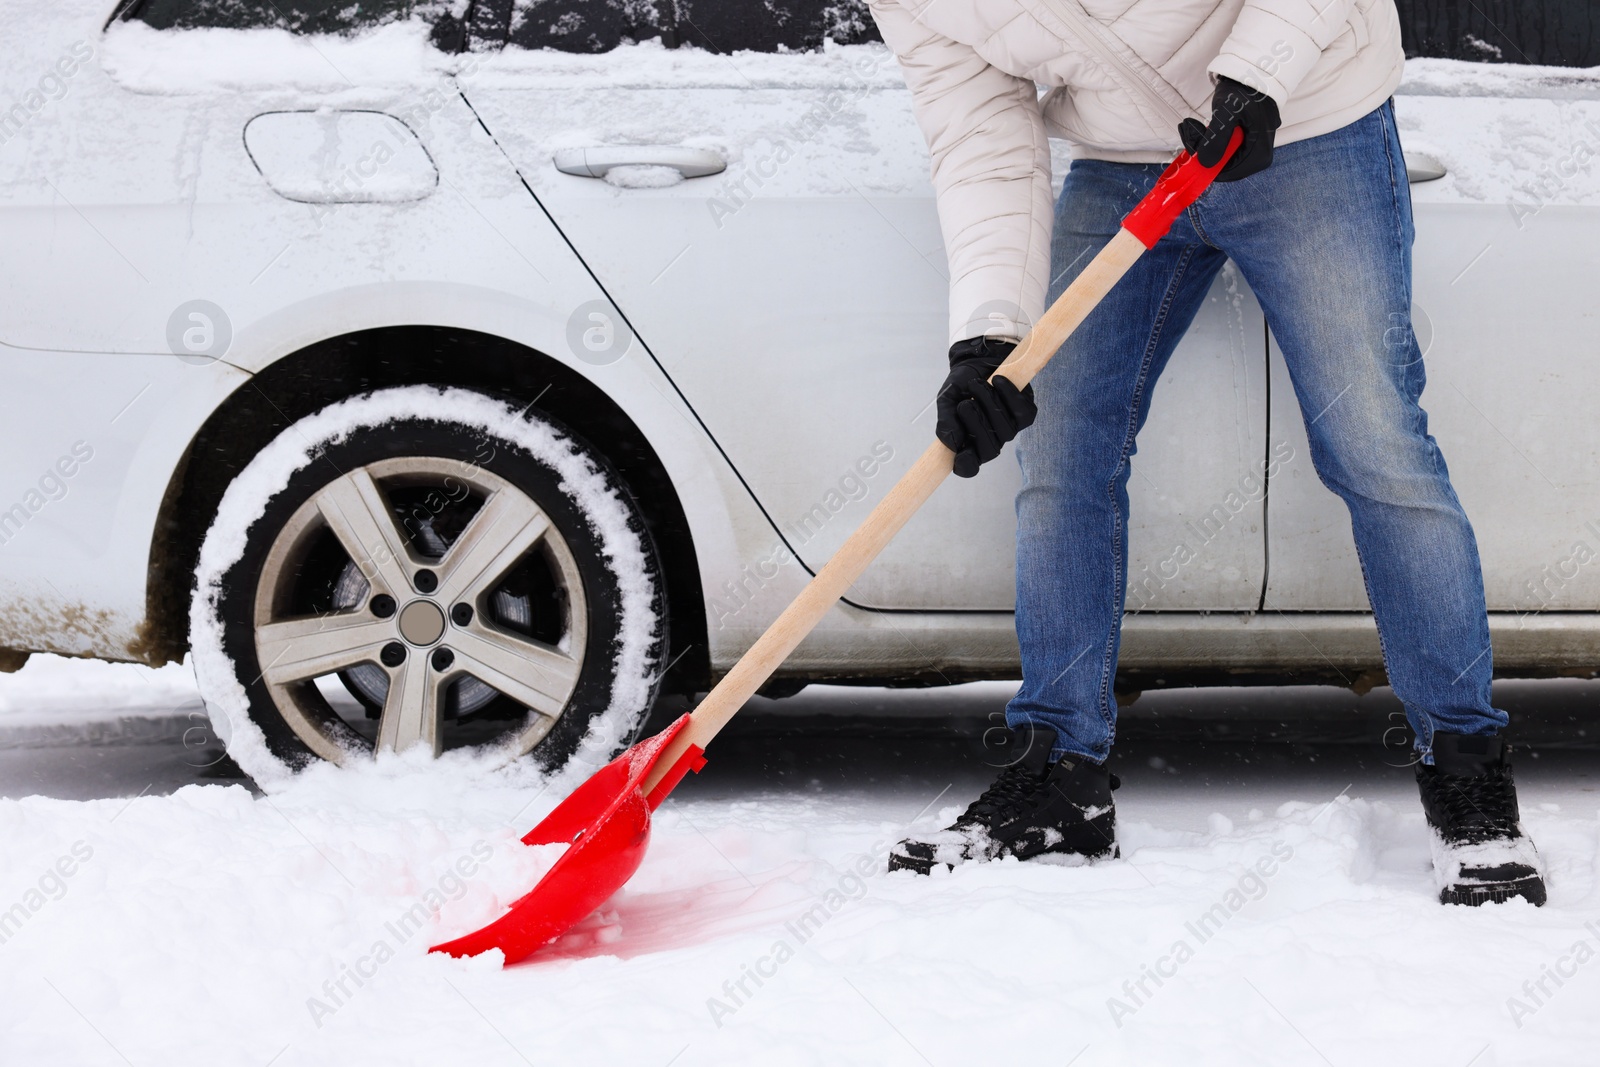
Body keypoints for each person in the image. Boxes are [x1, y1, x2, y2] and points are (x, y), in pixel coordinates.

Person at [870, 0, 1545, 906]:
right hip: (1123, 163)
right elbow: (981, 135)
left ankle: (1468, 772)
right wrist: (990, 336)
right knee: (1062, 444)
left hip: (1306, 120)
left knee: (1371, 439)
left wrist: (1257, 75)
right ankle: (1061, 773)